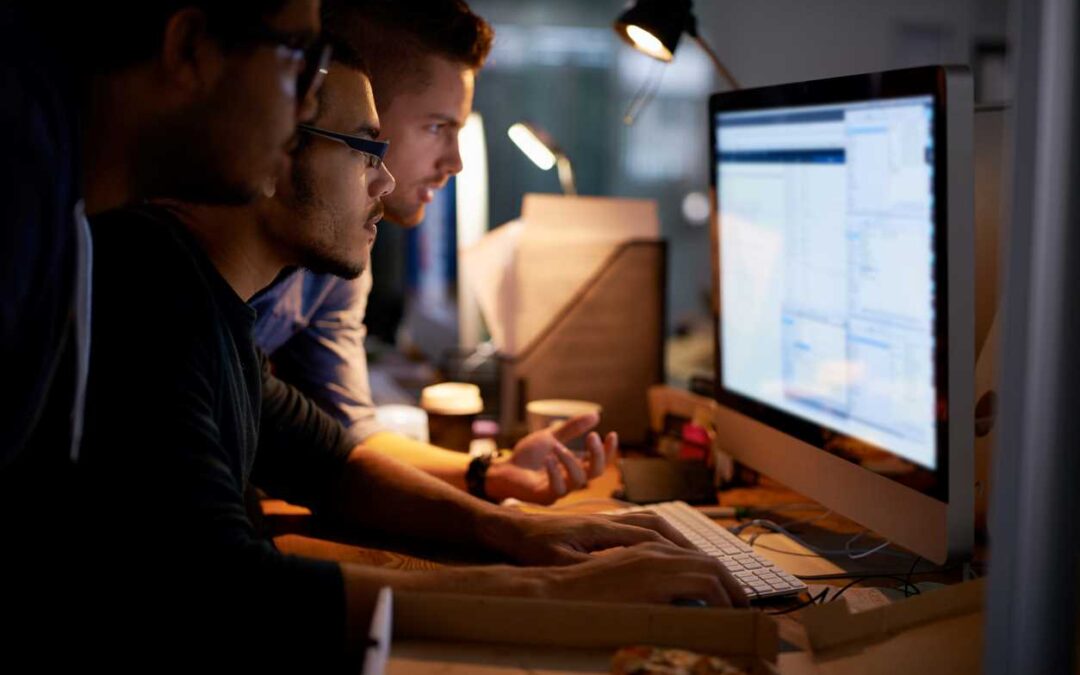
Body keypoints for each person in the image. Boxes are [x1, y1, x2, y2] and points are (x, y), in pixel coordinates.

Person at [80, 45, 747, 668]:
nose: (386, 178)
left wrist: (516, 535)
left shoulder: (207, 305)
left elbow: (335, 465)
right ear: (282, 151)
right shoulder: (147, 294)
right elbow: (232, 593)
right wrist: (555, 591)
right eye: (368, 150)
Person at [0, 0, 329, 663]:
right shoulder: (14, 177)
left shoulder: (63, 197)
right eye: (301, 58)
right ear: (190, 47)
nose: (306, 112)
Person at [249, 0, 604, 505]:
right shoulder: (186, 266)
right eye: (438, 127)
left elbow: (349, 435)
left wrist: (492, 472)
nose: (455, 162)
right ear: (352, 102)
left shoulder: (339, 260)